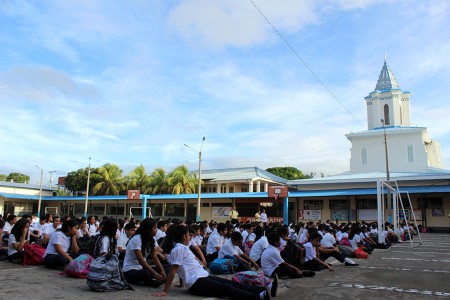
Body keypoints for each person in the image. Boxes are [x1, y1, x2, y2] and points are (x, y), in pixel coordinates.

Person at [153, 224, 273, 299]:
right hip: (196, 284)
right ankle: (258, 296)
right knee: (226, 289)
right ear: (184, 236)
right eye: (189, 235)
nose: (191, 238)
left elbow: (182, 267)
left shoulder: (182, 247)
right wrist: (165, 291)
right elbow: (174, 270)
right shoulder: (179, 248)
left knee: (230, 283)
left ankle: (263, 289)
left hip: (201, 277)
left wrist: (181, 283)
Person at [122, 218, 166, 287]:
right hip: (130, 270)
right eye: (154, 228)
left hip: (141, 268)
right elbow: (141, 261)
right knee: (145, 273)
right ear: (148, 229)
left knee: (167, 269)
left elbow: (154, 256)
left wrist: (162, 270)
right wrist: (155, 274)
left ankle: (152, 279)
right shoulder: (137, 239)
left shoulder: (152, 239)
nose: (156, 230)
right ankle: (150, 280)